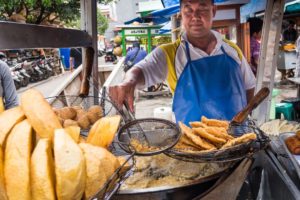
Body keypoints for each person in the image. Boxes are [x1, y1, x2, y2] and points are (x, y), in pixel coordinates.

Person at [109, 0, 256, 125]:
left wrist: (245, 118)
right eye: (188, 10)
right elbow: (140, 70)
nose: (195, 16)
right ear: (181, 14)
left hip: (238, 142)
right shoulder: (169, 53)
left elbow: (250, 87)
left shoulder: (233, 50)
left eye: (202, 8)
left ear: (214, 10)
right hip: (191, 147)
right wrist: (128, 82)